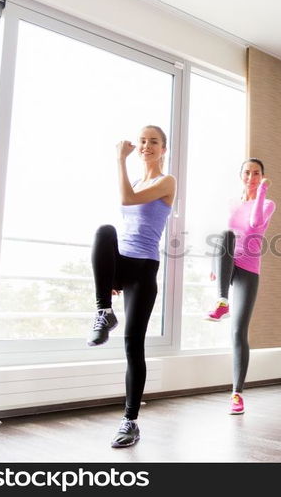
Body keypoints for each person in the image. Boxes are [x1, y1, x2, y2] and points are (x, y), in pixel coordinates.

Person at [87, 125, 176, 448]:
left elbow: (127, 198)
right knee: (104, 231)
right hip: (123, 261)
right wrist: (111, 276)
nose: (146, 145)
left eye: (153, 141)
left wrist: (119, 160)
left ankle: (129, 421)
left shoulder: (167, 182)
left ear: (163, 149)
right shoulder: (138, 180)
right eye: (142, 141)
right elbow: (126, 213)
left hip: (143, 270)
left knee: (132, 345)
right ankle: (103, 312)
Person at [205, 158, 275, 415]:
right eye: (247, 172)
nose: (251, 177)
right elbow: (226, 235)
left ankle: (236, 394)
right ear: (240, 175)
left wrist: (262, 191)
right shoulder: (231, 203)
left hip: (249, 269)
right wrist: (216, 267)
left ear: (262, 176)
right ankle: (222, 301)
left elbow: (255, 224)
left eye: (256, 173)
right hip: (229, 262)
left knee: (238, 332)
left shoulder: (267, 203)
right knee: (224, 235)